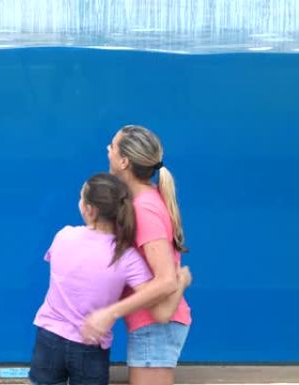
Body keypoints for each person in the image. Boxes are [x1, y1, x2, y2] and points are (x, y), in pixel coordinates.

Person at [29, 173, 190, 385]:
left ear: (89, 210)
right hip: (91, 344)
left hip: (48, 337)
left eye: (81, 198)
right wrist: (180, 282)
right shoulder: (126, 256)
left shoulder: (63, 235)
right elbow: (159, 308)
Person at [82, 125, 192, 385]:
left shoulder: (144, 209)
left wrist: (111, 312)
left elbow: (166, 280)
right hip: (152, 325)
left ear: (124, 161)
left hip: (156, 328)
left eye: (112, 146)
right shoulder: (145, 199)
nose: (107, 151)